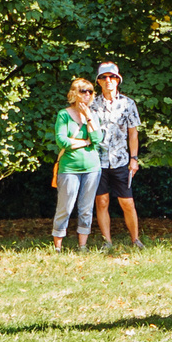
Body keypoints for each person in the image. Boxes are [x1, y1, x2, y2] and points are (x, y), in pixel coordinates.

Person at [88, 61, 143, 249]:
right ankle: (107, 242)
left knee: (127, 202)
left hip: (121, 160)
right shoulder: (92, 104)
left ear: (118, 80)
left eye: (112, 77)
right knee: (102, 201)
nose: (108, 80)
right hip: (98, 161)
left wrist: (134, 159)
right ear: (99, 82)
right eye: (104, 77)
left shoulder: (128, 103)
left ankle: (135, 240)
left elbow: (133, 133)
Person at [50, 77, 100, 250]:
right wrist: (85, 142)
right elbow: (62, 141)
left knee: (86, 208)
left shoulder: (92, 115)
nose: (87, 95)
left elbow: (97, 139)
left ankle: (82, 246)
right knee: (65, 207)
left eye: (90, 91)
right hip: (69, 168)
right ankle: (57, 246)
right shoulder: (64, 114)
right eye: (82, 91)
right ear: (74, 93)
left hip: (92, 168)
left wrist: (88, 118)